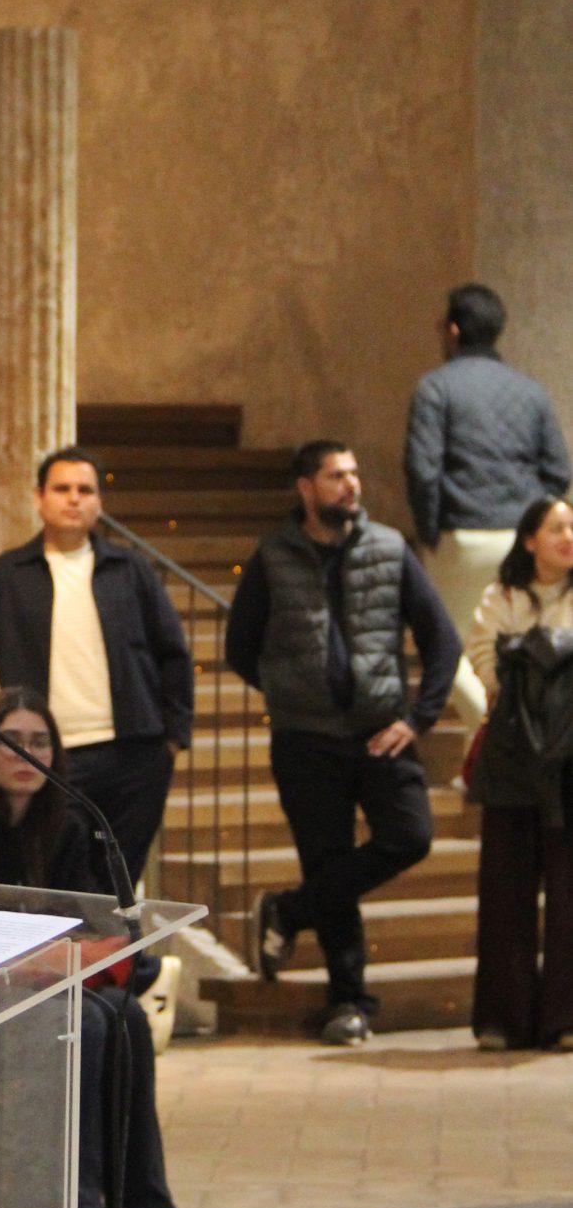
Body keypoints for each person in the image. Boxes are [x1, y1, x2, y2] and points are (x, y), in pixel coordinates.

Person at [0, 688, 176, 1208]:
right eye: (10, 742)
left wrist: (63, 956)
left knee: (127, 1017)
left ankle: (137, 1206)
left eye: (39, 742)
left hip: (45, 986)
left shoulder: (69, 824)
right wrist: (37, 958)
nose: (25, 755)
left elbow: (92, 920)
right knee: (89, 1025)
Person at [226, 441, 459, 1046]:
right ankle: (349, 1001)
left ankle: (289, 911)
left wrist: (418, 719)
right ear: (306, 488)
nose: (351, 485)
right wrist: (291, 694)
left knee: (410, 837)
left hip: (382, 733)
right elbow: (239, 647)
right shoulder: (273, 556)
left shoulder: (390, 548)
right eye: (336, 476)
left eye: (354, 474)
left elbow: (442, 640)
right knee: (328, 864)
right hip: (305, 743)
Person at [0, 447, 192, 884]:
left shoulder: (131, 570)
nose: (74, 498)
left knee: (119, 885)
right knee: (55, 882)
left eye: (85, 490)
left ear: (99, 502)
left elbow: (173, 654)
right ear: (39, 498)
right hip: (48, 758)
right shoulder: (7, 576)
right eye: (62, 488)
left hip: (134, 756)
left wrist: (173, 739)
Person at [405, 283, 571, 728]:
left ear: (453, 330)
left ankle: (491, 731)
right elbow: (558, 470)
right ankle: (507, 743)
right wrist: (534, 524)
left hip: (462, 534)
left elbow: (422, 470)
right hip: (524, 536)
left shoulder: (436, 387)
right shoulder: (531, 391)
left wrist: (430, 531)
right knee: (522, 646)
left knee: (445, 647)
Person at [466, 498, 573, 1050]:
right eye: (557, 528)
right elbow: (483, 658)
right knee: (506, 891)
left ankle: (565, 1018)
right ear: (529, 540)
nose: (569, 537)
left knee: (569, 896)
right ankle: (504, 1019)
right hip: (512, 759)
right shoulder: (501, 597)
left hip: (570, 762)